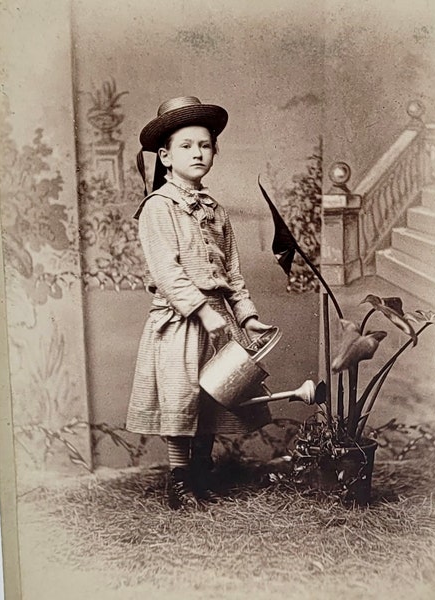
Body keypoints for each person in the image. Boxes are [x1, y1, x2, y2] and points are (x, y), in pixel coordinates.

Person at [126, 96, 273, 509]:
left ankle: (200, 475)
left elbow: (233, 272)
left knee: (215, 394)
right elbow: (167, 271)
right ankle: (178, 481)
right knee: (183, 396)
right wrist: (204, 312)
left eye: (205, 145)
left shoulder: (216, 210)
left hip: (220, 318)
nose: (197, 152)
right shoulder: (158, 208)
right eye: (186, 145)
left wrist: (247, 316)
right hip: (182, 320)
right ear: (165, 156)